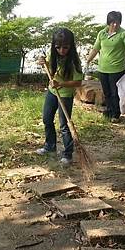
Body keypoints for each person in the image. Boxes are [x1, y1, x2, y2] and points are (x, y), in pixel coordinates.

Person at [36, 28, 84, 166]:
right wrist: (43, 63)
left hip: (65, 95)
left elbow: (78, 82)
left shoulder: (74, 61)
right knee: (47, 119)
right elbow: (49, 69)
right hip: (52, 92)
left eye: (65, 47)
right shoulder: (54, 55)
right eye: (58, 47)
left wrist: (61, 84)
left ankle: (67, 154)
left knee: (64, 125)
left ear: (71, 45)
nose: (62, 50)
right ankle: (49, 146)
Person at [86, 11, 125, 122]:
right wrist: (88, 60)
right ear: (108, 22)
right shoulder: (101, 34)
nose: (115, 25)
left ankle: (116, 114)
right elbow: (96, 49)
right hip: (103, 69)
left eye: (117, 22)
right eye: (113, 22)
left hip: (117, 69)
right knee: (106, 92)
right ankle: (109, 111)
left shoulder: (123, 34)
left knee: (115, 92)